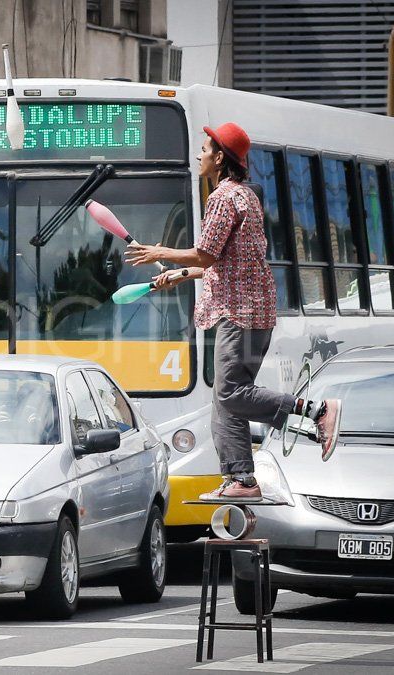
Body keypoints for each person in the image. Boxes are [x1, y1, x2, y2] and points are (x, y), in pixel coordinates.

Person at [124, 122, 342, 502]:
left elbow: (207, 253)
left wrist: (159, 253)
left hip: (239, 314)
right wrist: (181, 275)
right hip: (252, 313)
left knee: (231, 394)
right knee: (225, 400)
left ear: (220, 158)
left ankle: (316, 410)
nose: (199, 155)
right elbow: (225, 260)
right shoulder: (247, 196)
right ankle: (241, 479)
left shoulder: (223, 198)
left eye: (205, 149)